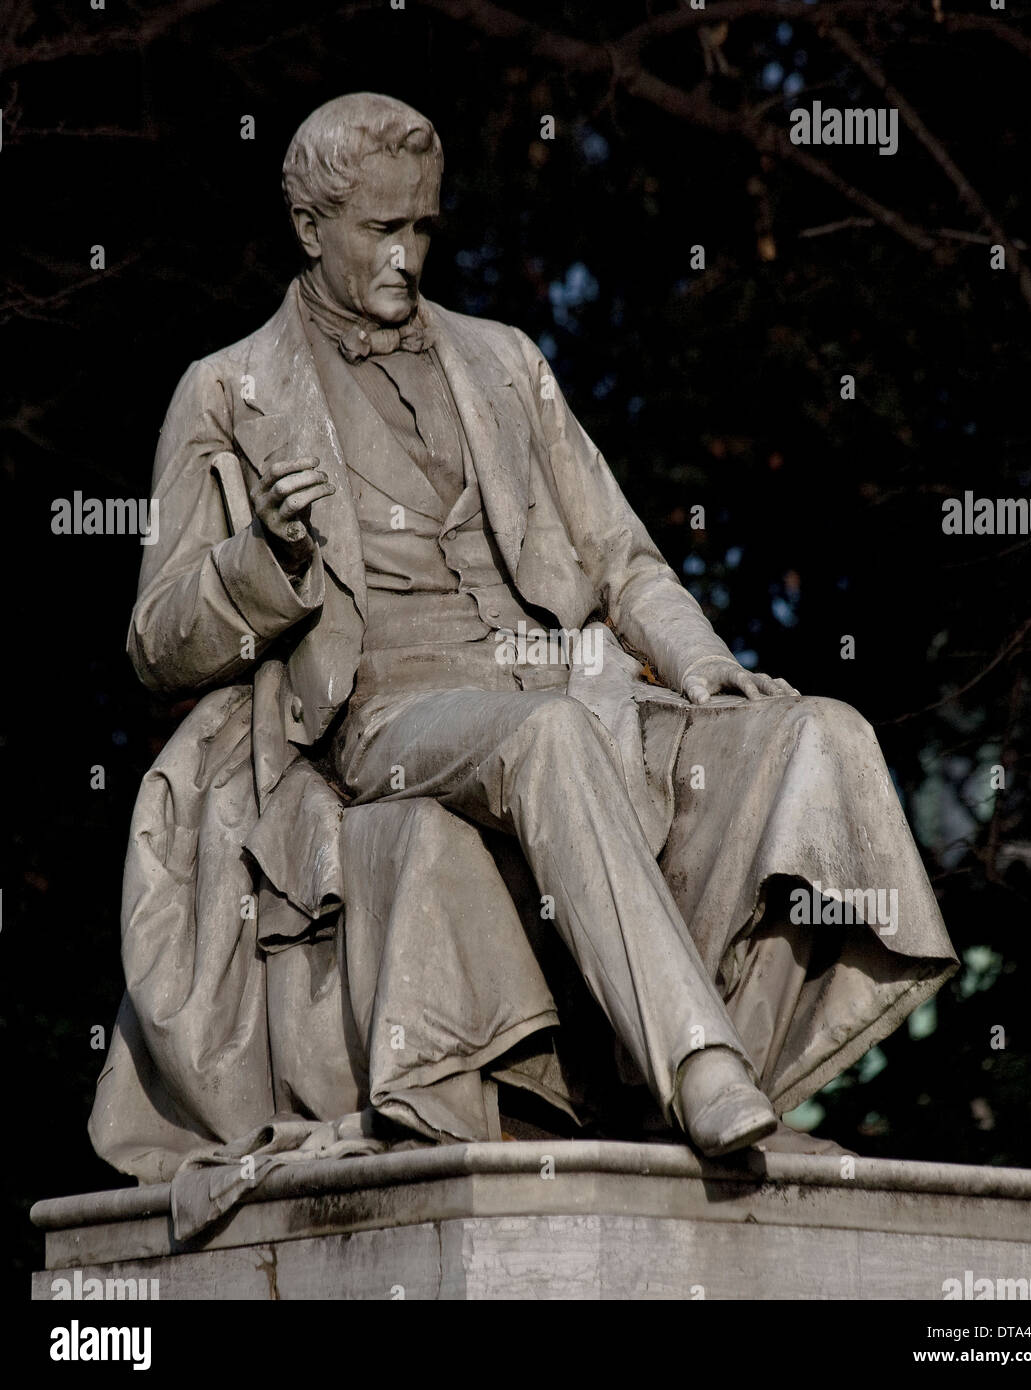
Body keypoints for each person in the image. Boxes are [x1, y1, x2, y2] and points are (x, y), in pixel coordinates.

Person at [89, 94, 957, 1183]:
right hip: (387, 713)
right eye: (381, 231)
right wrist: (266, 560)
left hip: (575, 683)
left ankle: (732, 1082)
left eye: (425, 228)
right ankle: (696, 1065)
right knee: (547, 735)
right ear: (311, 227)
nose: (408, 257)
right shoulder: (225, 390)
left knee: (814, 733)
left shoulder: (502, 360)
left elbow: (621, 557)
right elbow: (155, 642)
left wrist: (706, 670)